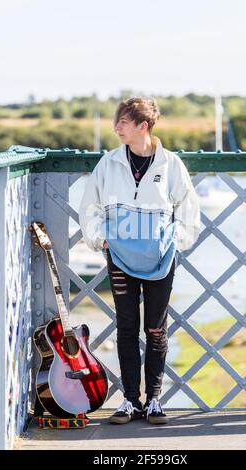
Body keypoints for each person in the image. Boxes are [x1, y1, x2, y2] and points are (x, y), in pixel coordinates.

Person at [79, 96, 201, 425]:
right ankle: (130, 401)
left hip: (161, 259)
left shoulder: (171, 164)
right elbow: (89, 206)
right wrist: (100, 239)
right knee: (128, 326)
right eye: (117, 121)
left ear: (142, 126)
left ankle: (155, 400)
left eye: (123, 121)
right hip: (119, 258)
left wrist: (174, 242)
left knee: (156, 329)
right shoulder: (109, 163)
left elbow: (189, 212)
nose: (116, 126)